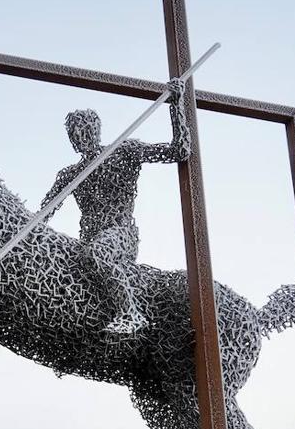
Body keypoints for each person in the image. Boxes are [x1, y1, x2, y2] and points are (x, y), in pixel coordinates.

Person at [42, 78, 190, 333]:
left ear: (96, 131)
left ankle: (130, 312)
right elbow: (45, 212)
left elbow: (179, 151)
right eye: (74, 134)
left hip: (119, 235)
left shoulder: (124, 152)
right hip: (87, 239)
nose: (80, 138)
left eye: (84, 131)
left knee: (99, 254)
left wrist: (177, 106)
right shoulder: (69, 174)